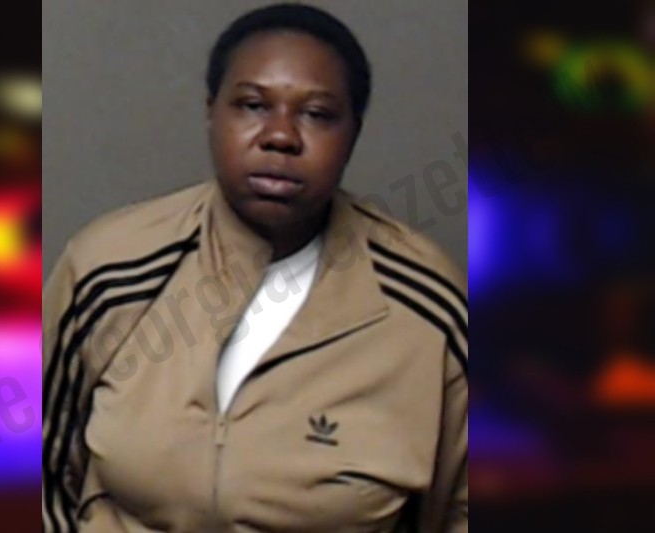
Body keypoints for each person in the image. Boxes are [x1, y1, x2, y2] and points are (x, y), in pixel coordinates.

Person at [43, 3, 467, 532]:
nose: (280, 136)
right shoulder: (107, 267)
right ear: (212, 113)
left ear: (353, 133)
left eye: (317, 114)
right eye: (252, 105)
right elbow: (39, 471)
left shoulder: (427, 307)